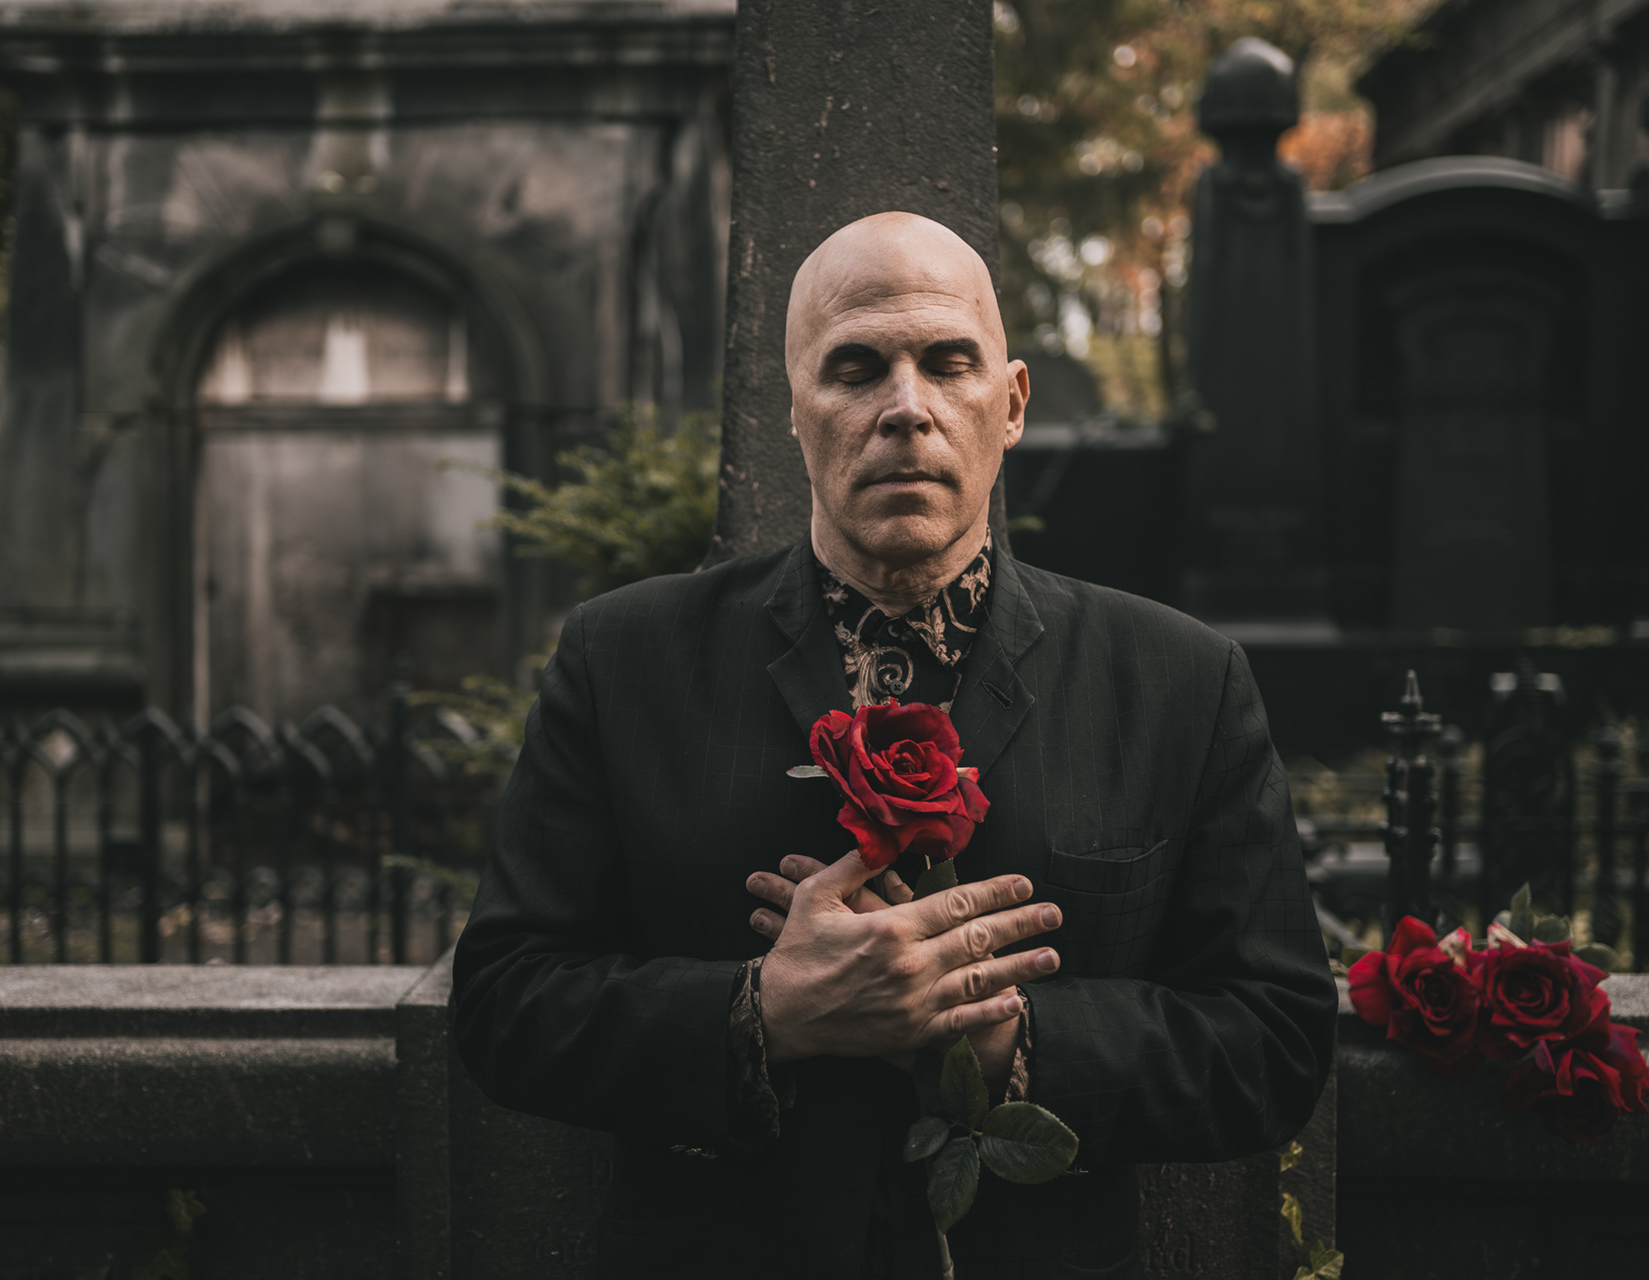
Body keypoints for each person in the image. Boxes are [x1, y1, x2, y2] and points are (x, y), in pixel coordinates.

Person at [451, 212, 1337, 1279]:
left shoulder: (1179, 681)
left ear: (1011, 403)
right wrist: (765, 1012)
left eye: (948, 364)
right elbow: (504, 1003)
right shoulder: (623, 659)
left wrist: (1000, 1033)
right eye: (855, 368)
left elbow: (1276, 1039)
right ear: (794, 409)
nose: (906, 408)